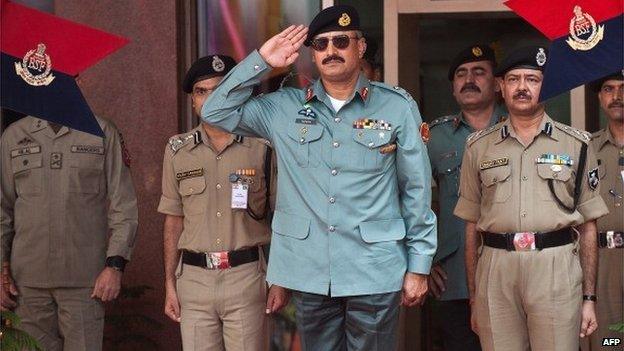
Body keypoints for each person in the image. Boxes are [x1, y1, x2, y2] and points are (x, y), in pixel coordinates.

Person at [200, 5, 437, 350]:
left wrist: (419, 265)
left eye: (341, 41)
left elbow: (415, 189)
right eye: (321, 44)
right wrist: (262, 61)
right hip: (309, 268)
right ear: (312, 55)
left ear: (360, 47)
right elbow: (213, 110)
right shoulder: (283, 108)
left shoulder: (396, 107)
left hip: (374, 266)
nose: (331, 51)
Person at [454, 46, 609, 351]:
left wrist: (589, 299)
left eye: (532, 79)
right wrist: (475, 295)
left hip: (556, 266)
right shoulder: (479, 147)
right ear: (501, 86)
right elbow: (471, 225)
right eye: (513, 80)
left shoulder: (576, 144)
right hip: (496, 270)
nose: (522, 87)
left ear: (547, 86)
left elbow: (589, 225)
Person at [158, 54, 285, 351]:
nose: (209, 99)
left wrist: (280, 279)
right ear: (192, 101)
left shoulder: (262, 147)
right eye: (201, 92)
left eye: (219, 90)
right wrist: (168, 283)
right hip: (194, 280)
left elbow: (282, 216)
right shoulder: (177, 150)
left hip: (246, 278)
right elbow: (173, 220)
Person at [0, 116, 138, 351]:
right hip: (27, 282)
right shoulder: (14, 136)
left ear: (77, 82)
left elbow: (124, 207)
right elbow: (2, 210)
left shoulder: (102, 131)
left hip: (85, 281)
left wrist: (115, 265)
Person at [427, 44, 504, 351]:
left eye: (479, 72)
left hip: (511, 269)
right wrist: (425, 260)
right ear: (453, 87)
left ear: (498, 84)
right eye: (461, 74)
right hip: (454, 274)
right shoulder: (434, 137)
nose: (468, 79)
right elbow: (415, 202)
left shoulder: (517, 129)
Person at [582, 72, 624, 351]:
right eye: (608, 89)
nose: (617, 96)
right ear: (599, 98)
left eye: (623, 88)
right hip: (604, 263)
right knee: (610, 342)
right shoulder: (586, 150)